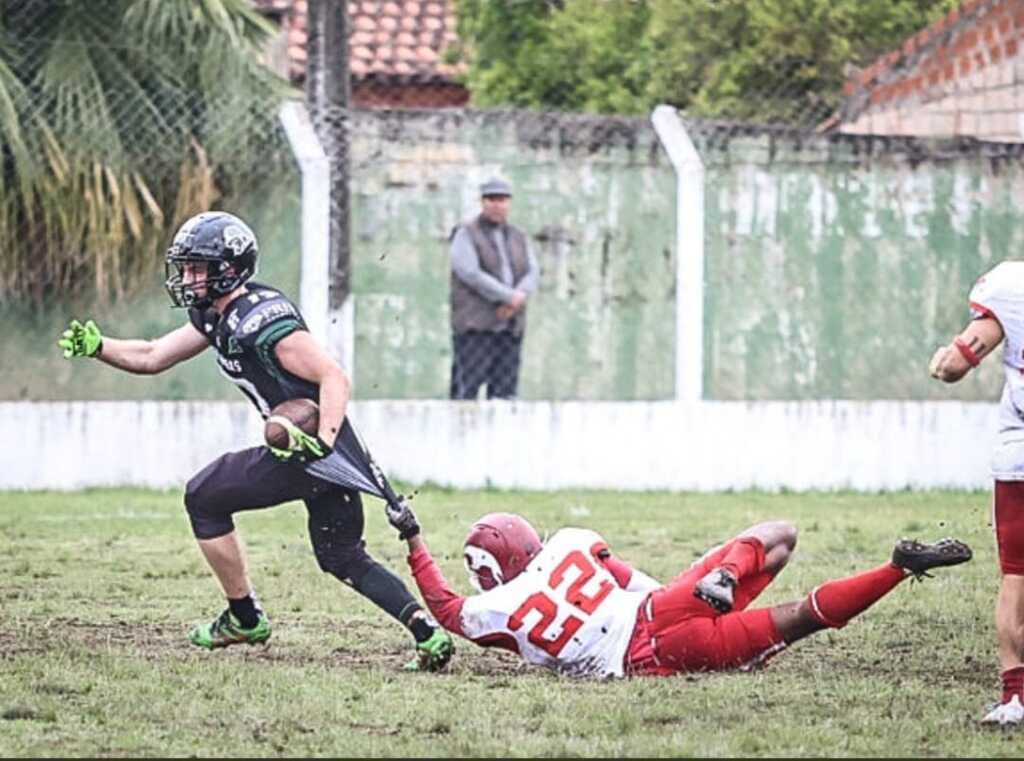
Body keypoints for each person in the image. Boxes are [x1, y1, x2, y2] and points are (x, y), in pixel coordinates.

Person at [58, 211, 454, 672]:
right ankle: (427, 634)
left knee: (204, 495)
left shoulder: (261, 321)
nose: (187, 278)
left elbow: (334, 377)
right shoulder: (215, 315)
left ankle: (244, 618)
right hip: (325, 457)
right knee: (342, 556)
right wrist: (99, 346)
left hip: (309, 451)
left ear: (230, 269)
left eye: (197, 268)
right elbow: (153, 355)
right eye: (186, 268)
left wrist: (322, 442)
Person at [380, 501, 971, 680]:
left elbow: (446, 608)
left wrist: (413, 539)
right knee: (779, 536)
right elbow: (627, 577)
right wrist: (687, 589)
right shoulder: (573, 541)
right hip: (661, 606)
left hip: (651, 656)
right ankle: (728, 572)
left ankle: (896, 570)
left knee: (799, 618)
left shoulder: (492, 608)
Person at [928, 259, 1024, 724]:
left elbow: (954, 366)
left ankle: (1017, 697)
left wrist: (939, 361)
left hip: (1020, 456)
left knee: (1017, 576)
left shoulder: (1011, 285)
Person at [449, 177, 539, 400]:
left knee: (505, 395)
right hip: (476, 328)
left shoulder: (519, 236)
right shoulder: (466, 233)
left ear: (509, 202)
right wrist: (508, 297)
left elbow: (533, 272)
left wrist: (519, 297)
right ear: (482, 202)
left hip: (509, 327)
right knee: (466, 392)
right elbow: (470, 273)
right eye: (491, 199)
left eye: (502, 199)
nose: (497, 204)